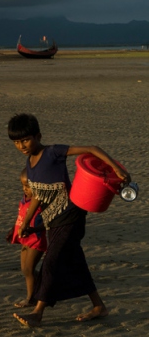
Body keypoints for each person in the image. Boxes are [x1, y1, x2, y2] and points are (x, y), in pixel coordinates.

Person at [8, 113, 129, 327]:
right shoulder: (30, 162)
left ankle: (38, 311)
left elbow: (92, 149)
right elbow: (37, 194)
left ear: (38, 136)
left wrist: (117, 169)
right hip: (52, 221)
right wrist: (27, 222)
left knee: (51, 263)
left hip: (71, 215)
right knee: (75, 262)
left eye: (25, 140)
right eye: (17, 142)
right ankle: (99, 306)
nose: (22, 145)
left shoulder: (53, 152)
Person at [8, 167, 46, 308]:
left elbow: (47, 223)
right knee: (25, 269)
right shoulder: (24, 200)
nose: (25, 189)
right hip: (25, 239)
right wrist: (13, 230)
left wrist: (34, 229)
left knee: (29, 269)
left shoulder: (41, 203)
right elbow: (21, 216)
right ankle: (42, 287)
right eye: (23, 186)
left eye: (28, 187)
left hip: (36, 239)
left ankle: (31, 298)